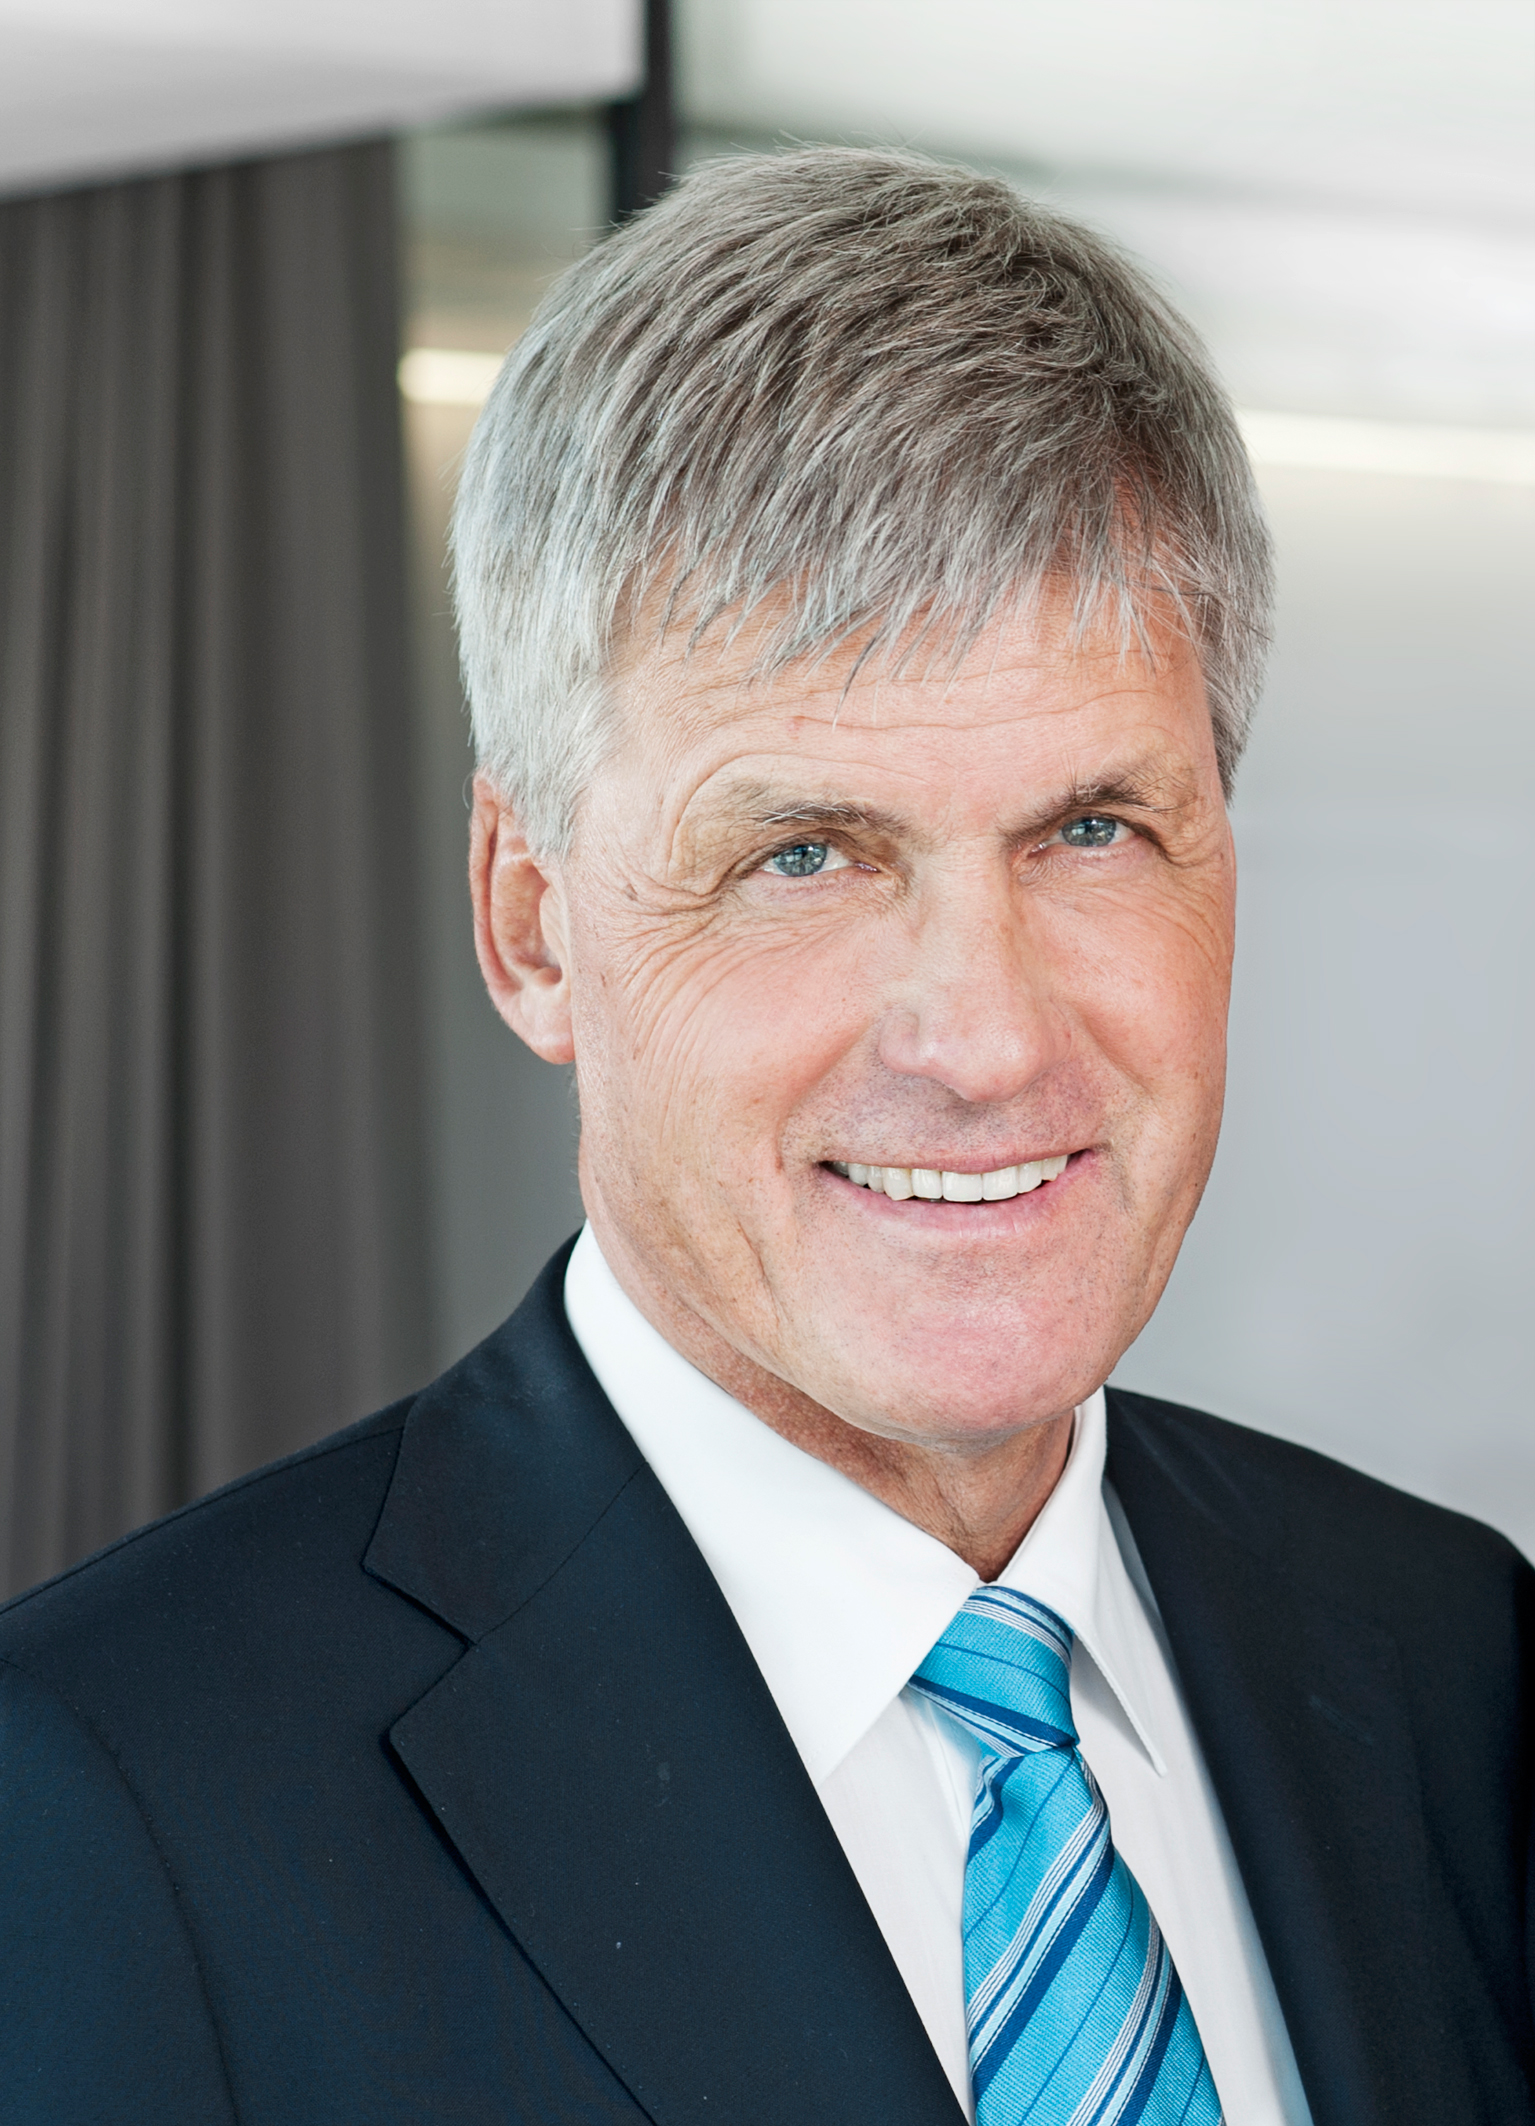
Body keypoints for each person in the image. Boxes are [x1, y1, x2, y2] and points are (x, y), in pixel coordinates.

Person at [1, 148, 1530, 2126]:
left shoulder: (1450, 1664)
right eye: (806, 852)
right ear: (532, 922)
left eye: (1090, 828)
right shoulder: (108, 1811)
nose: (983, 1038)